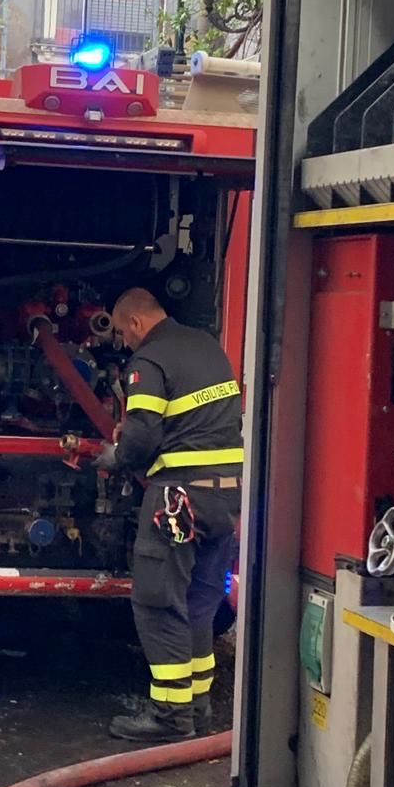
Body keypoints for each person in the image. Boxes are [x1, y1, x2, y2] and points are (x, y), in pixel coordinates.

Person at [95, 288, 243, 743]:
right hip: (227, 498)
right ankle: (197, 710)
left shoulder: (150, 361)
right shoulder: (207, 346)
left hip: (180, 499)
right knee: (200, 603)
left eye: (122, 333)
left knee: (158, 603)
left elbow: (139, 441)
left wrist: (112, 456)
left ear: (136, 323)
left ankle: (169, 717)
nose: (124, 342)